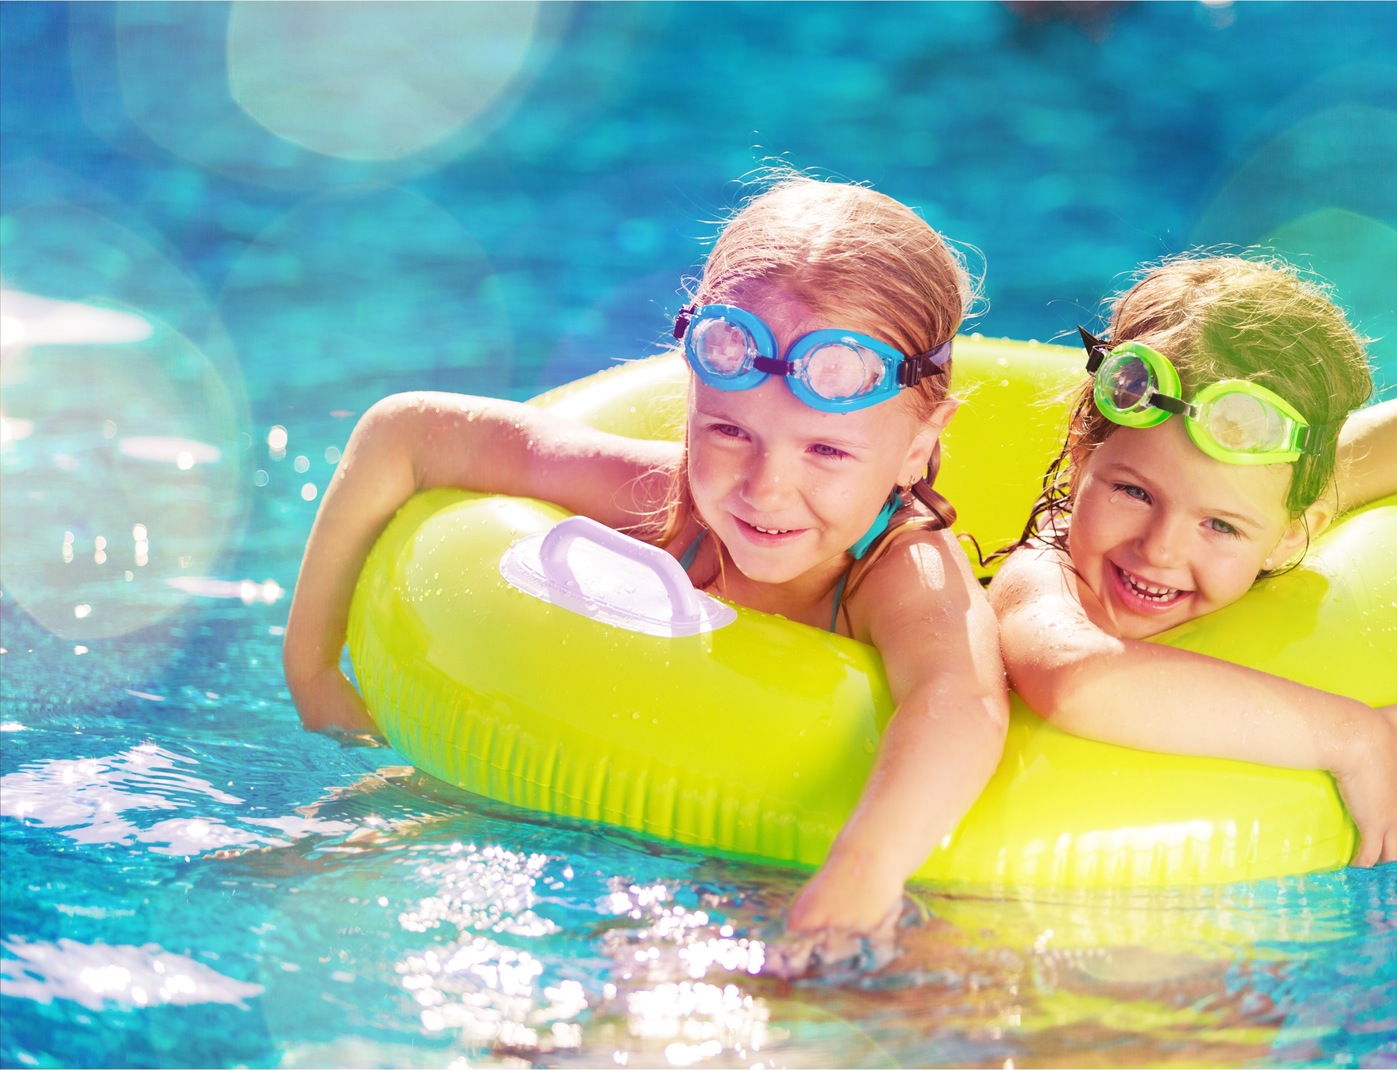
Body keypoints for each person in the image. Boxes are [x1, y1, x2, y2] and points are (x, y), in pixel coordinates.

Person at [282, 173, 1010, 972]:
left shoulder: (898, 569)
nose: (763, 489)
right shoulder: (669, 502)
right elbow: (407, 434)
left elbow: (961, 696)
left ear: (915, 445)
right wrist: (314, 671)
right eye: (729, 431)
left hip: (812, 867)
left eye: (827, 450)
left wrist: (863, 869)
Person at [991, 253, 1397, 868]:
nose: (1161, 549)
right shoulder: (1045, 577)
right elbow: (1074, 679)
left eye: (1219, 526)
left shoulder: (1269, 482)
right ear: (1079, 456)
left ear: (1293, 535)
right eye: (1133, 492)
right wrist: (1354, 737)